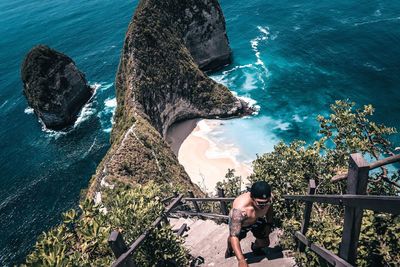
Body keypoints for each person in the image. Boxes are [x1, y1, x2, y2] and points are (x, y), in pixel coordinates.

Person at [225, 181, 273, 267]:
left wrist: (269, 224)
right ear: (252, 198)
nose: (264, 206)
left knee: (265, 243)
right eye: (260, 203)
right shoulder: (240, 210)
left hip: (257, 219)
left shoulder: (269, 199)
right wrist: (241, 260)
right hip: (242, 223)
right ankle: (229, 250)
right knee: (232, 239)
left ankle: (255, 248)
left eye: (266, 202)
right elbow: (234, 236)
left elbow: (269, 208)